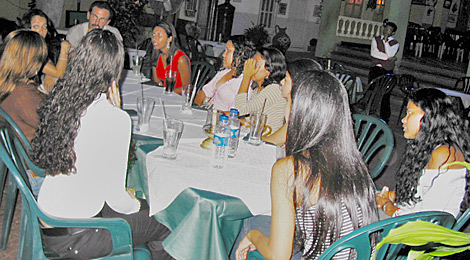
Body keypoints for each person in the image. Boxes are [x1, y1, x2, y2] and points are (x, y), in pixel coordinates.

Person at [30, 30, 173, 260]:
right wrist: (136, 203)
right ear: (114, 72)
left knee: (146, 208)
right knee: (166, 220)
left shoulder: (61, 99)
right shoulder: (114, 118)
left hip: (47, 218)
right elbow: (118, 201)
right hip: (78, 235)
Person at [233, 71, 378, 260]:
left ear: (299, 111)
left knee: (248, 226)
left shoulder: (290, 169)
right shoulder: (355, 163)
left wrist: (253, 236)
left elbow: (279, 256)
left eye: (288, 102)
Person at [376, 88, 469, 219]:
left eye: (410, 113)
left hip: (422, 230)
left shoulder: (444, 154)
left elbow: (425, 218)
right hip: (413, 217)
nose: (404, 120)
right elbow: (421, 191)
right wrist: (390, 196)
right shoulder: (433, 146)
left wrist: (386, 205)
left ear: (429, 117)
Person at [0, 29, 48, 197]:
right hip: (38, 174)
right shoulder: (24, 95)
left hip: (23, 164)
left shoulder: (9, 85)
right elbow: (58, 126)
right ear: (32, 62)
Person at [263, 58, 322, 145]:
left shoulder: (302, 115)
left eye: (286, 79)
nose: (281, 82)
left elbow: (272, 141)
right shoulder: (295, 106)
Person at [194, 37, 256, 111]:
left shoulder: (244, 82)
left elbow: (234, 113)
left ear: (240, 55)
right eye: (225, 50)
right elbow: (204, 92)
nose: (223, 54)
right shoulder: (225, 71)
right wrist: (196, 109)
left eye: (228, 51)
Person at [234, 47, 287, 133]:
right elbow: (251, 117)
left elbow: (240, 110)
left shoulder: (274, 89)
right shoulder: (258, 90)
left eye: (256, 64)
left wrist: (246, 77)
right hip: (258, 134)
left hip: (267, 140)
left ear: (268, 70)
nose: (251, 68)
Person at [21, 9, 71, 92]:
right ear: (27, 28)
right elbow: (59, 73)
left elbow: (48, 62)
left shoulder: (38, 47)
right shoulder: (26, 49)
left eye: (44, 27)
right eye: (36, 26)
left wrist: (49, 74)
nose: (41, 31)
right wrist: (64, 49)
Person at [368, 19, 399, 123]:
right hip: (375, 68)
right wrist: (387, 58)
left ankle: (385, 116)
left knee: (385, 93)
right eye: (386, 29)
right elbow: (374, 53)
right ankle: (369, 110)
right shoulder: (376, 39)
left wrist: (385, 43)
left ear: (393, 32)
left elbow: (391, 54)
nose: (386, 31)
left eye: (389, 30)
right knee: (372, 90)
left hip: (387, 70)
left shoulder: (395, 43)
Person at [150, 20, 190, 95]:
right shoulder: (157, 55)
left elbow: (187, 88)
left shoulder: (180, 59)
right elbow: (157, 81)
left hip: (178, 98)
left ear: (170, 38)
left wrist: (168, 92)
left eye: (159, 35)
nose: (154, 39)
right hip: (163, 96)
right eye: (153, 35)